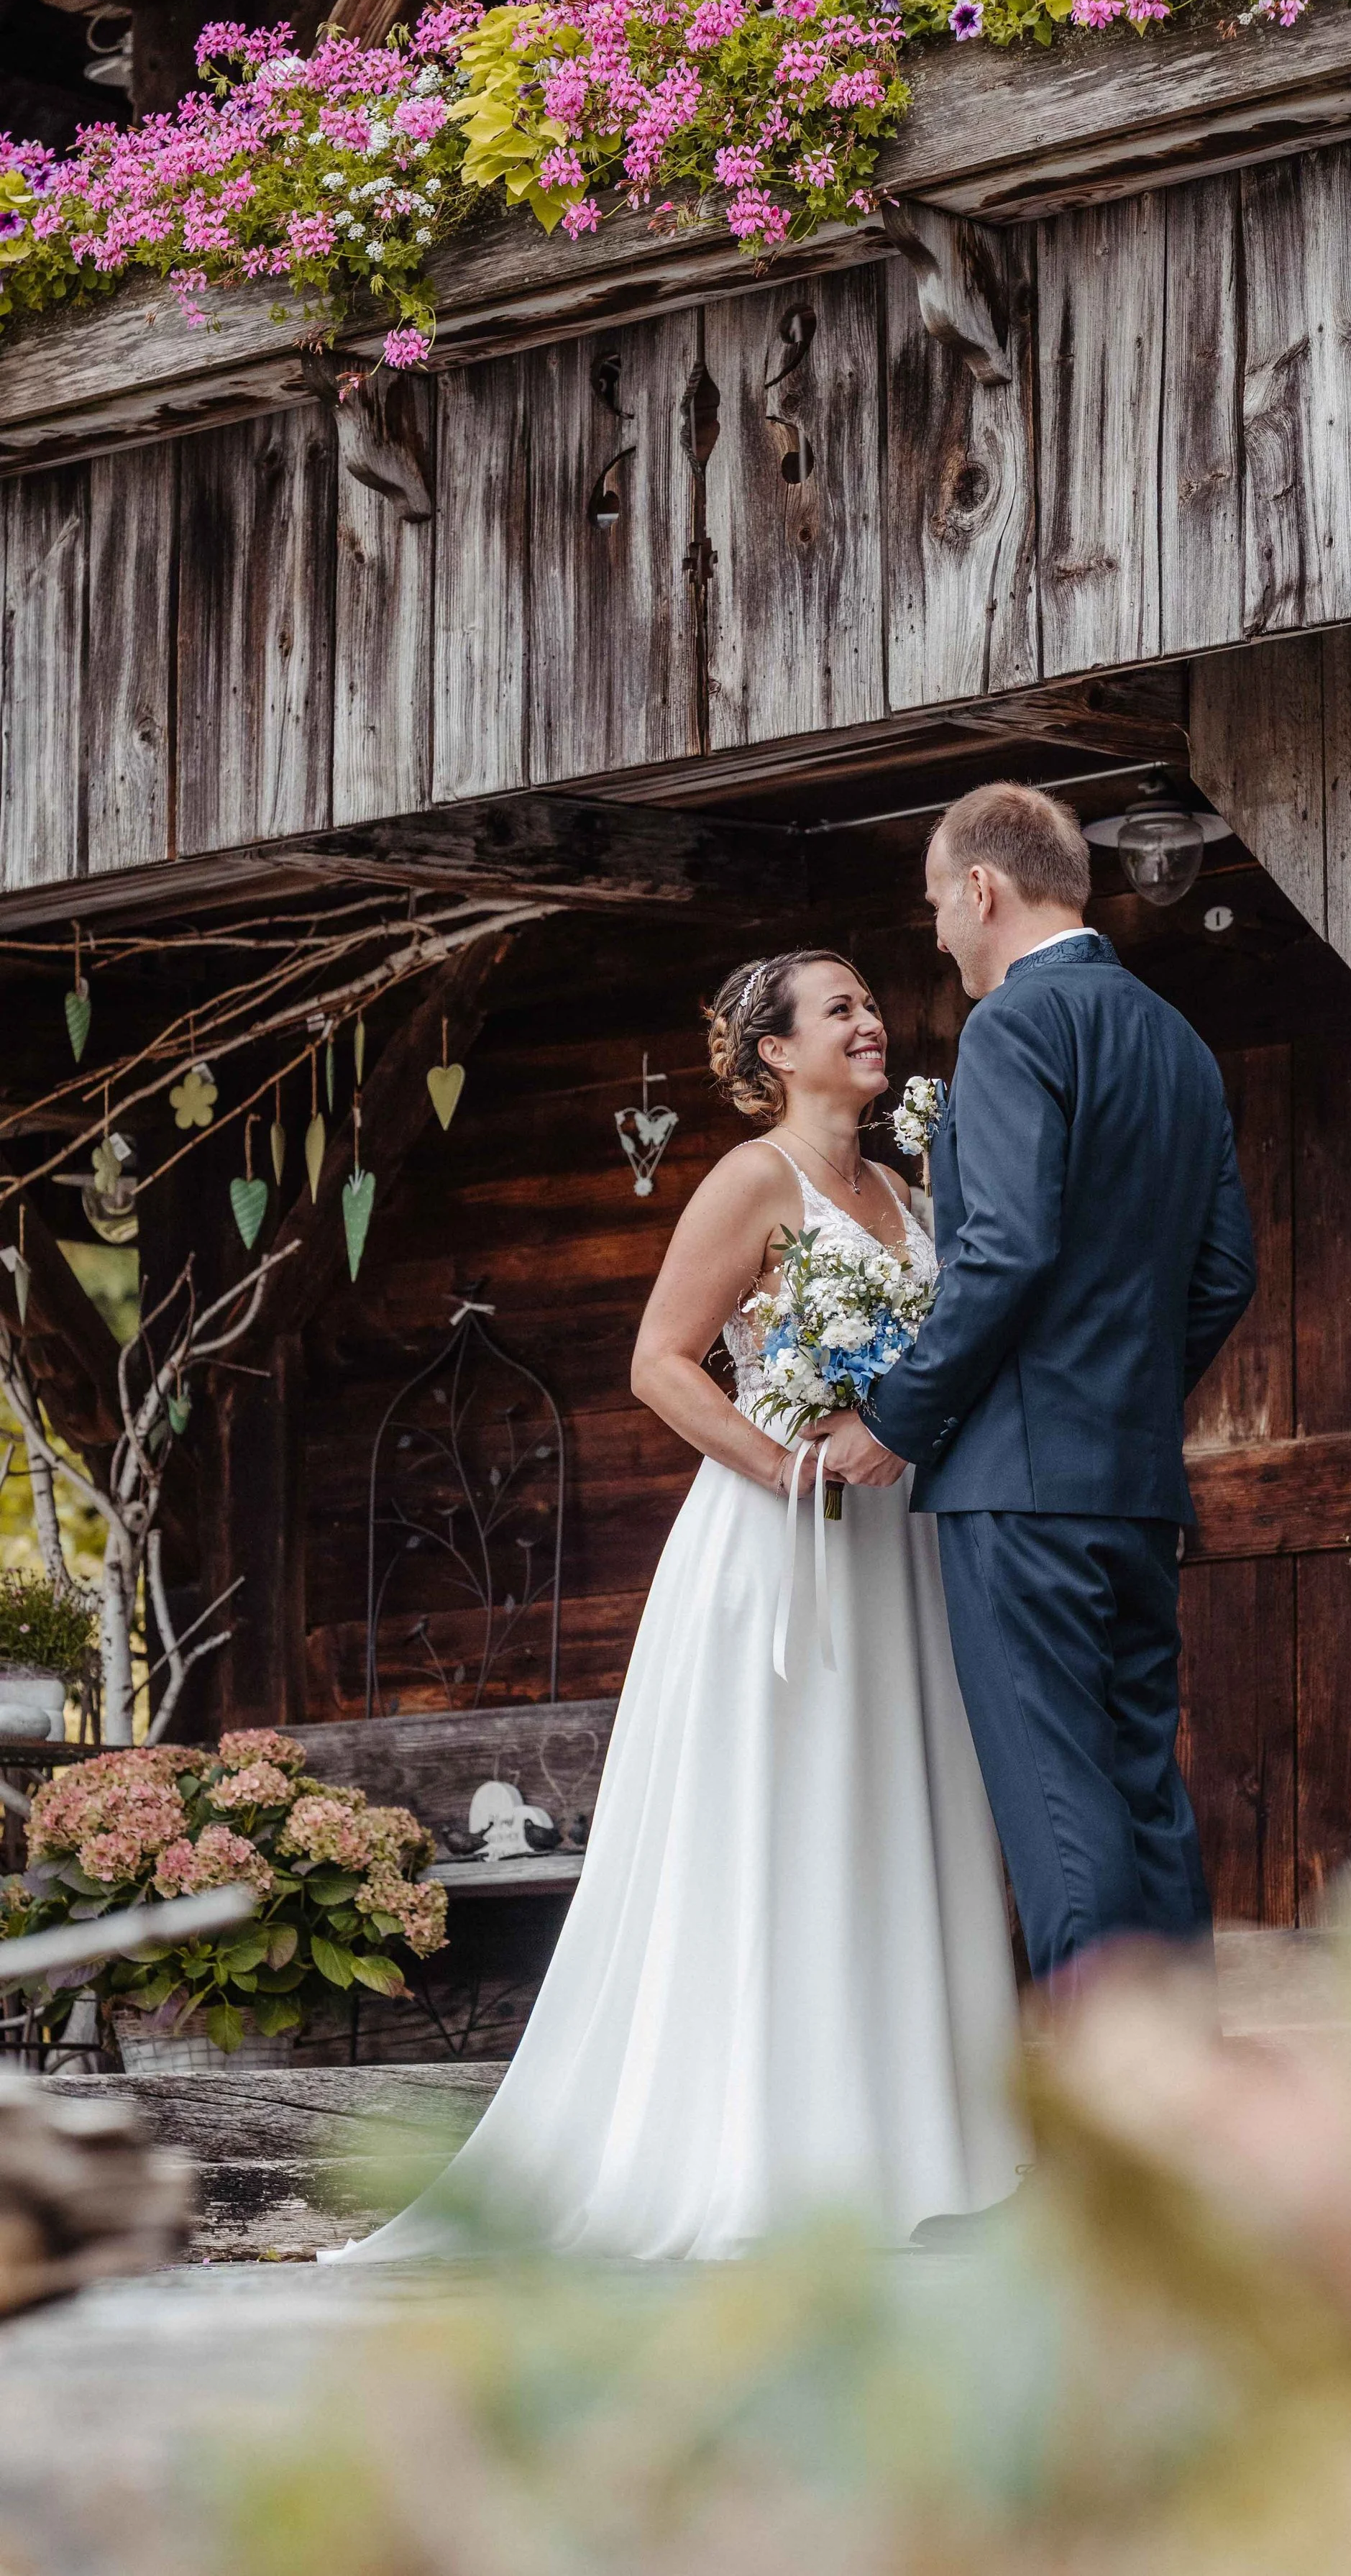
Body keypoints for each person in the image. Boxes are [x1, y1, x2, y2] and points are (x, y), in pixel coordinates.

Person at [326, 949, 1026, 2265]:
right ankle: (770, 2150)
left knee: (896, 1814)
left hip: (897, 1547)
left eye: (874, 1004)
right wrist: (787, 1470)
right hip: (780, 1544)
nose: (873, 1023)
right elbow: (659, 1361)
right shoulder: (752, 1181)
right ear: (775, 1052)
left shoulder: (904, 1186)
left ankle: (918, 2147)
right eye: (843, 1011)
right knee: (788, 1824)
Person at [815, 785, 1258, 2042]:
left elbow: (1000, 1254)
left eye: (938, 908)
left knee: (1059, 1809)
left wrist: (896, 1420)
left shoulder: (1012, 1030)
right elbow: (1227, 1274)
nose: (940, 939)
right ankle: (1182, 2132)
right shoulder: (1178, 1041)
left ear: (985, 890)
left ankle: (1099, 2164)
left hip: (1015, 1486)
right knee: (1141, 1799)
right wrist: (1118, 1399)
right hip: (1130, 1484)